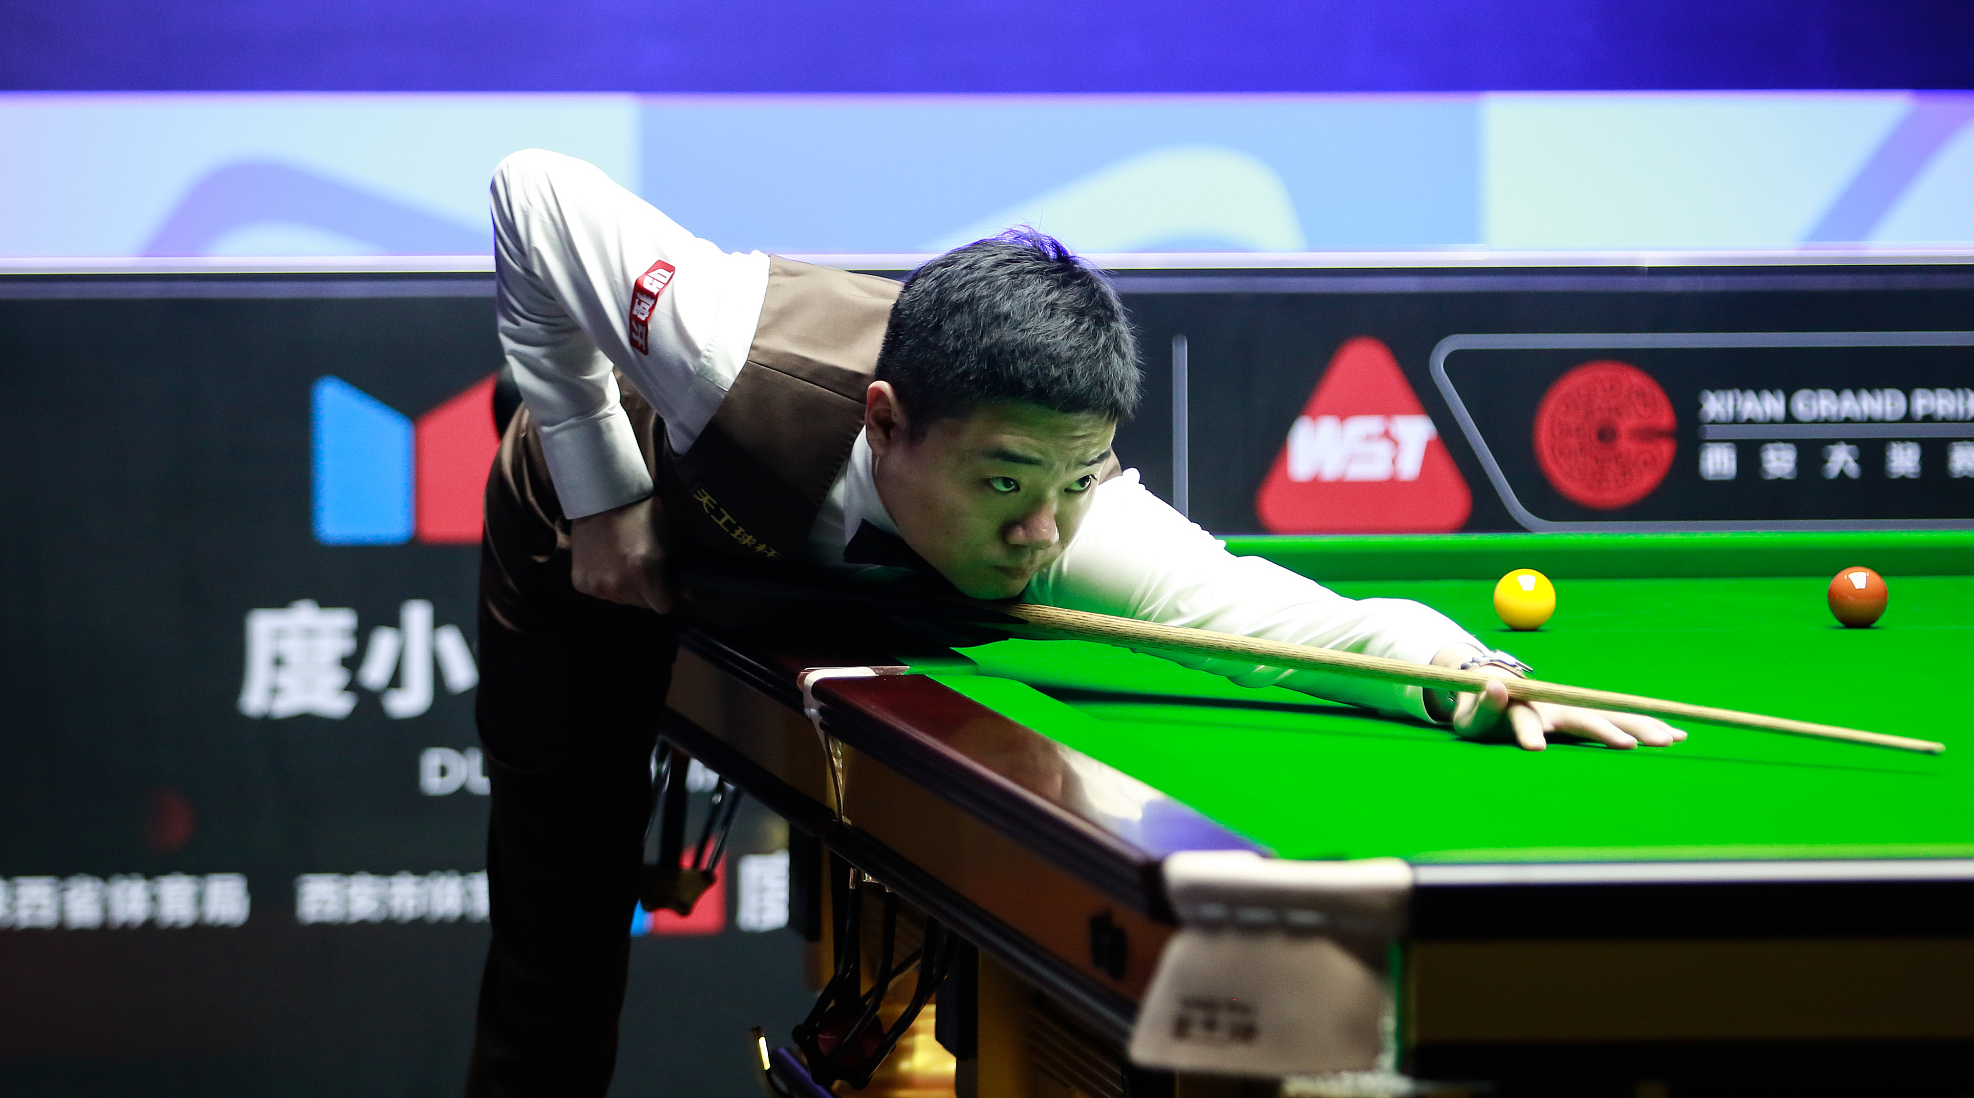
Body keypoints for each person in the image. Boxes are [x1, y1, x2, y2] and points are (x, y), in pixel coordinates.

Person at [468, 149, 1683, 1096]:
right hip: (601, 541)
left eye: (1070, 480)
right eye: (1004, 484)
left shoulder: (1068, 512)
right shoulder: (730, 342)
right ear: (886, 421)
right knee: (561, 925)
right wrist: (598, 487)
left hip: (840, 560)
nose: (1041, 531)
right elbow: (532, 190)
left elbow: (1265, 610)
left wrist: (1470, 674)